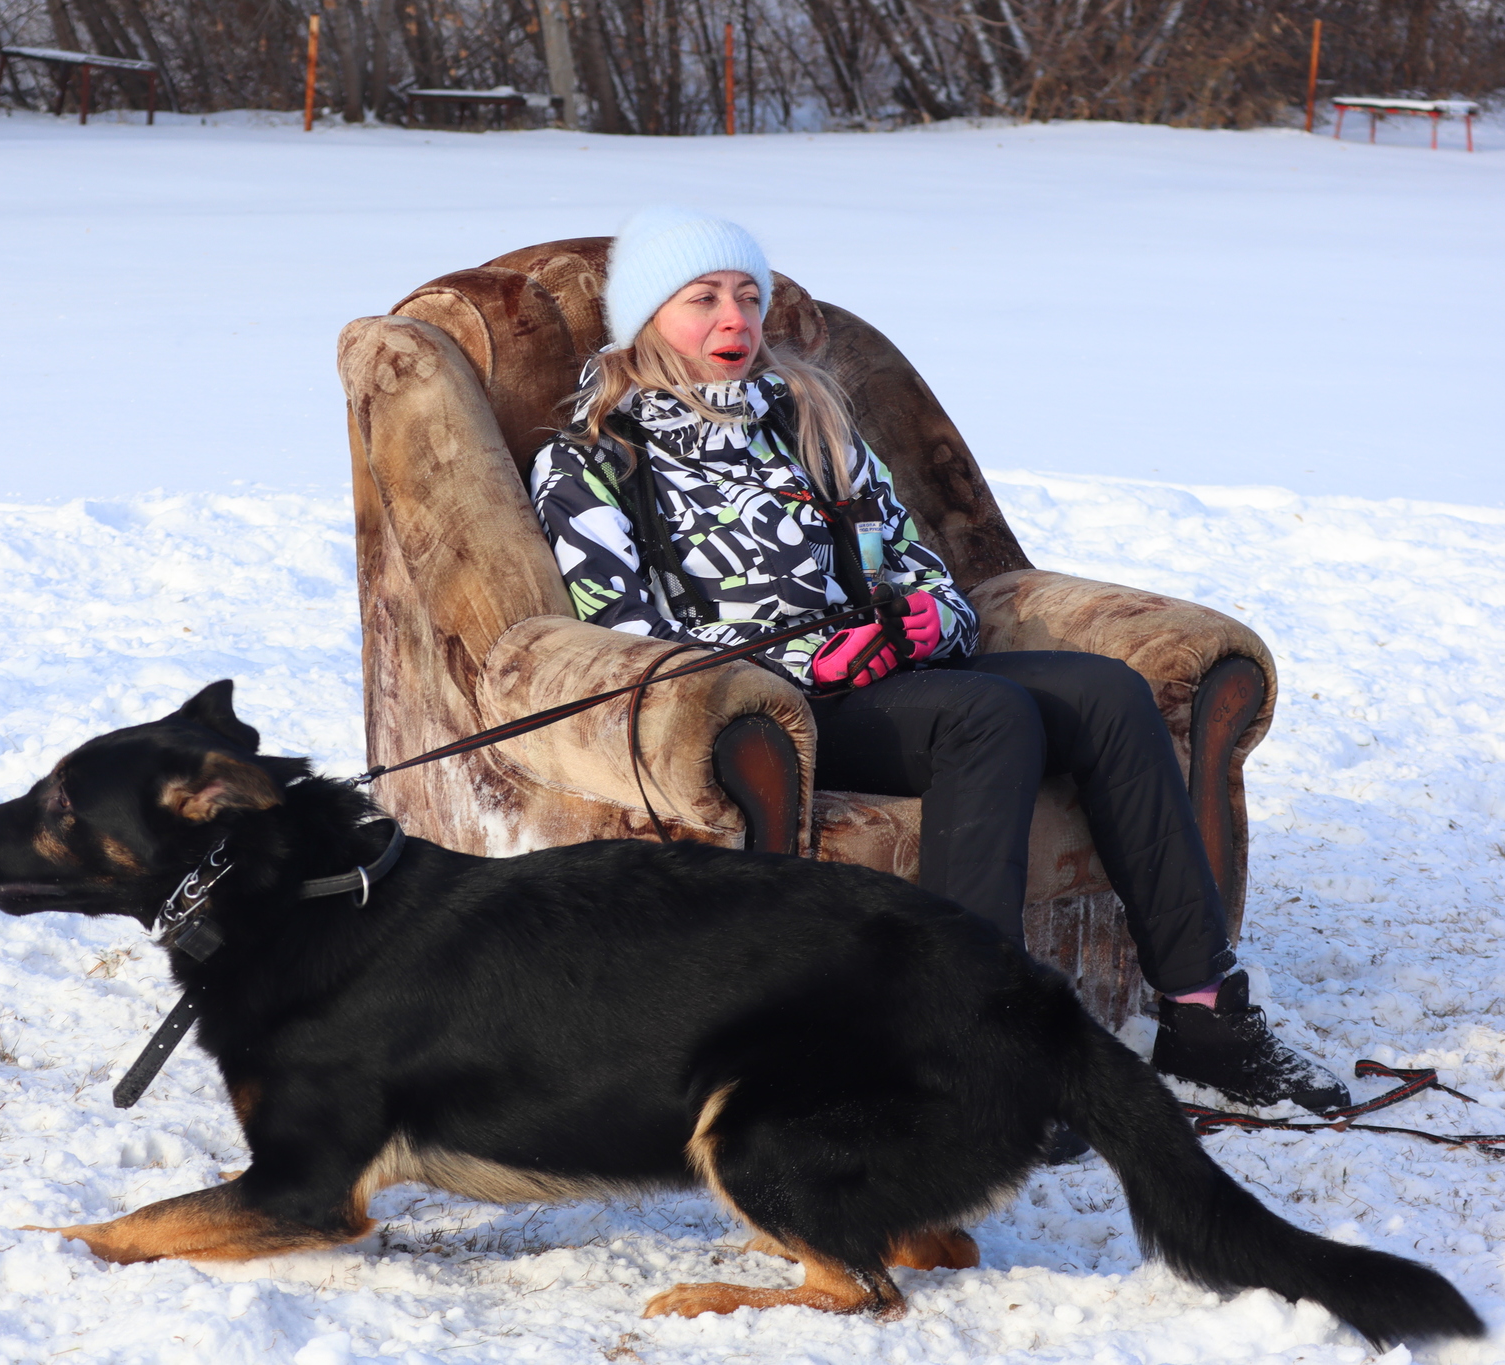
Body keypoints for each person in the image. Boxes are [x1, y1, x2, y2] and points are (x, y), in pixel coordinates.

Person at [528, 206, 1348, 1134]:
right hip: (768, 715)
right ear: (645, 321)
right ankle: (969, 1058)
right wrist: (806, 660)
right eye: (703, 298)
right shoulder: (593, 461)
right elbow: (633, 642)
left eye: (750, 297)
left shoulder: (811, 422)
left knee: (1109, 694)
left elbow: (922, 570)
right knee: (988, 717)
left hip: (893, 681)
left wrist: (925, 622)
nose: (736, 320)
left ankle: (1205, 1020)